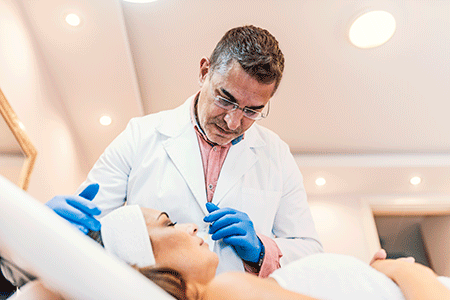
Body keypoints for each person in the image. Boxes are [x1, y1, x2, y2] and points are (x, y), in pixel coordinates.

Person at [45, 24, 323, 277]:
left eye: (252, 110)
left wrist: (262, 249)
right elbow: (94, 226)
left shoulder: (276, 154)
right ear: (204, 72)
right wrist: (54, 228)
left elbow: (310, 252)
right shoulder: (140, 134)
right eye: (226, 99)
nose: (233, 122)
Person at [101, 205, 450, 300]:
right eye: (167, 222)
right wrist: (408, 272)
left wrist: (368, 278)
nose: (190, 226)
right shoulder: (226, 290)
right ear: (142, 263)